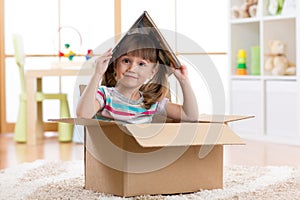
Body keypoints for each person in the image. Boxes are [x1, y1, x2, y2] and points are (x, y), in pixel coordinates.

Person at [76, 33, 198, 123]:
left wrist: (184, 81)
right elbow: (83, 115)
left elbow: (190, 116)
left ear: (152, 72)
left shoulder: (151, 103)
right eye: (126, 61)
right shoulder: (104, 95)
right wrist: (97, 73)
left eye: (141, 64)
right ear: (115, 66)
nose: (132, 68)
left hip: (140, 156)